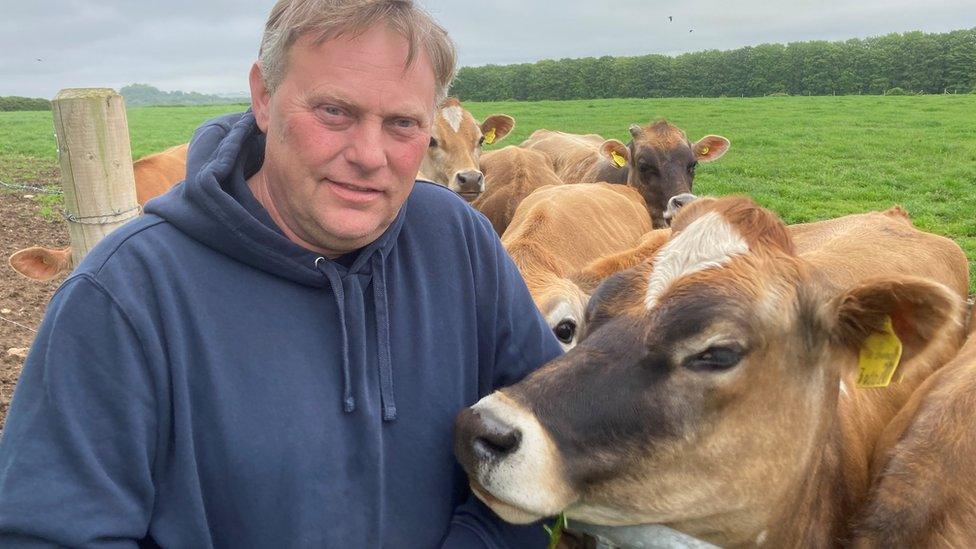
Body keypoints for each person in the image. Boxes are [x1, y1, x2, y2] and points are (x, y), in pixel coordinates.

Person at [0, 1, 562, 546]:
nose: (369, 154)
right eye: (335, 112)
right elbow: (53, 532)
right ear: (264, 98)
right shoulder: (126, 291)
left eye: (403, 123)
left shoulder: (458, 243)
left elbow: (550, 432)